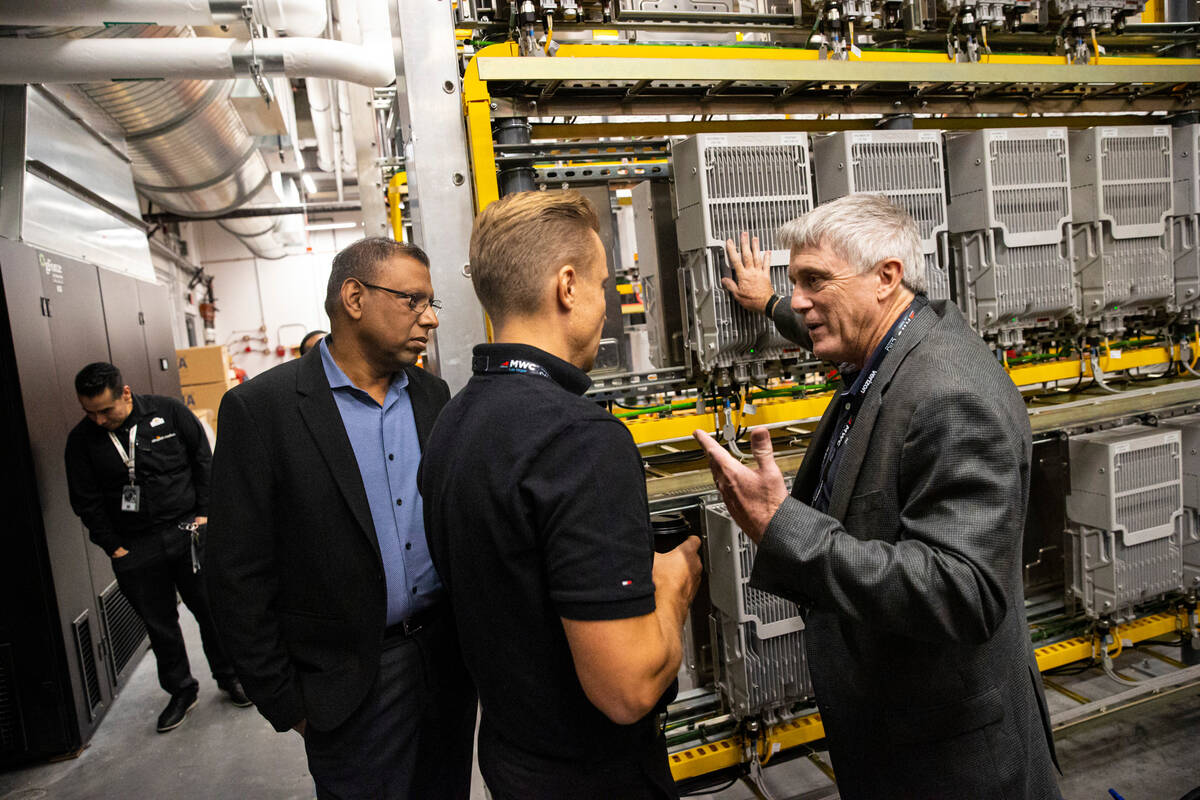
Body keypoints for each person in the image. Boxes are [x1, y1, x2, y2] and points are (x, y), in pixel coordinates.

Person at [695, 194, 1060, 800]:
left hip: (954, 762)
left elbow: (962, 592)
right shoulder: (898, 338)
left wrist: (781, 526)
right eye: (795, 283)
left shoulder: (948, 393)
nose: (803, 300)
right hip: (905, 735)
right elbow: (821, 315)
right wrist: (767, 303)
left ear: (888, 276)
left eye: (814, 281)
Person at [420, 190, 702, 800]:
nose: (606, 305)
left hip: (512, 756)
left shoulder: (455, 419)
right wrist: (672, 588)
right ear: (568, 286)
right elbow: (626, 691)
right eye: (603, 284)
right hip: (593, 777)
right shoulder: (580, 439)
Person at [205, 238, 475, 799]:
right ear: (354, 297)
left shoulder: (432, 395)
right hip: (348, 681)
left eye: (433, 304)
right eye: (414, 301)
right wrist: (285, 700)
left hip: (443, 663)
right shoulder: (263, 411)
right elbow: (236, 571)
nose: (430, 319)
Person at [64, 362, 249, 733]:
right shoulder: (82, 441)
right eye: (90, 412)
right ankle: (181, 690)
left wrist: (205, 514)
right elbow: (85, 500)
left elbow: (203, 460)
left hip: (188, 532)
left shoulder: (169, 412)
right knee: (160, 624)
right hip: (135, 546)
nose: (98, 420)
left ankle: (230, 677)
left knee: (211, 611)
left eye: (105, 410)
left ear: (126, 394)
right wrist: (114, 547)